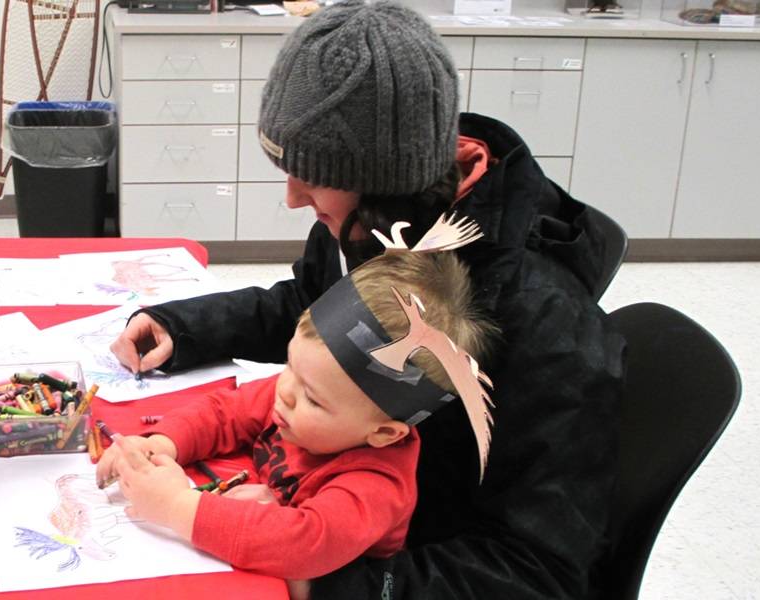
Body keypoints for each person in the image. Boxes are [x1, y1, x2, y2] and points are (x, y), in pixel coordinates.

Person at [110, 1, 627, 598]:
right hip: (322, 497)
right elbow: (308, 304)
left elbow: (537, 571)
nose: (292, 198)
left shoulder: (547, 327)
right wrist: (186, 327)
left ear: (386, 179)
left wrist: (333, 583)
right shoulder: (374, 223)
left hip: (403, 554)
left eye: (312, 175)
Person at [97, 247, 497, 581]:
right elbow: (225, 412)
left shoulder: (376, 482)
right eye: (289, 366)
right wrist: (163, 444)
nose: (285, 393)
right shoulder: (299, 393)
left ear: (384, 433)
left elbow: (305, 543)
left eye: (314, 399)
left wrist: (175, 507)